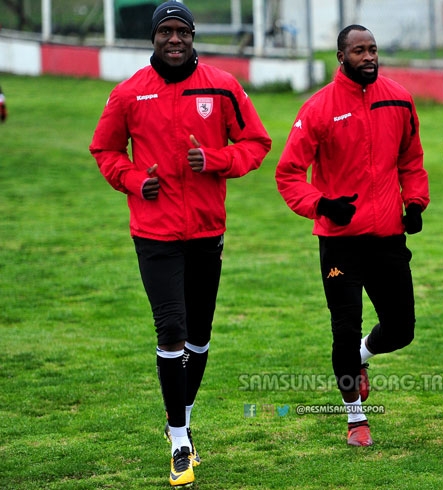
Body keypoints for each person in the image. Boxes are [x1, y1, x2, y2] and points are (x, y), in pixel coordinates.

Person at [89, 1, 271, 486]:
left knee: (200, 334)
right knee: (170, 327)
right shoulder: (128, 94)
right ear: (153, 37)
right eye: (165, 31)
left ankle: (183, 417)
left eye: (182, 31)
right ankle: (179, 439)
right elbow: (104, 149)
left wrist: (214, 159)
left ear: (193, 37)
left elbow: (256, 143)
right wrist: (132, 180)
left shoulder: (222, 86)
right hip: (154, 231)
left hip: (207, 230)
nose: (174, 39)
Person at [275, 24, 429, 447]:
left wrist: (414, 203)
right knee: (344, 328)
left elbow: (411, 160)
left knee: (401, 329)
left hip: (388, 238)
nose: (368, 57)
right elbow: (288, 173)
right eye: (358, 51)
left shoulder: (398, 98)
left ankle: (360, 358)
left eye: (373, 49)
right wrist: (322, 205)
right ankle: (355, 417)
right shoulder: (319, 108)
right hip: (340, 241)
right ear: (341, 58)